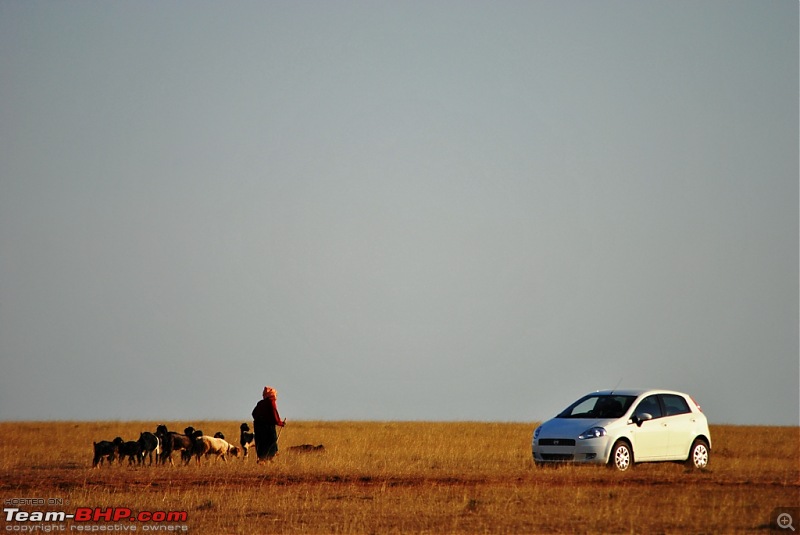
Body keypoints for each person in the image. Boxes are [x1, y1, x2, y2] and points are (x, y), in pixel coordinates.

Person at [251, 386, 285, 462]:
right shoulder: (271, 402)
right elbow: (274, 414)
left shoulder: (260, 403)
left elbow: (254, 413)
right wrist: (280, 422)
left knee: (261, 442)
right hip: (267, 426)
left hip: (258, 426)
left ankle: (262, 459)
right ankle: (270, 458)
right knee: (271, 442)